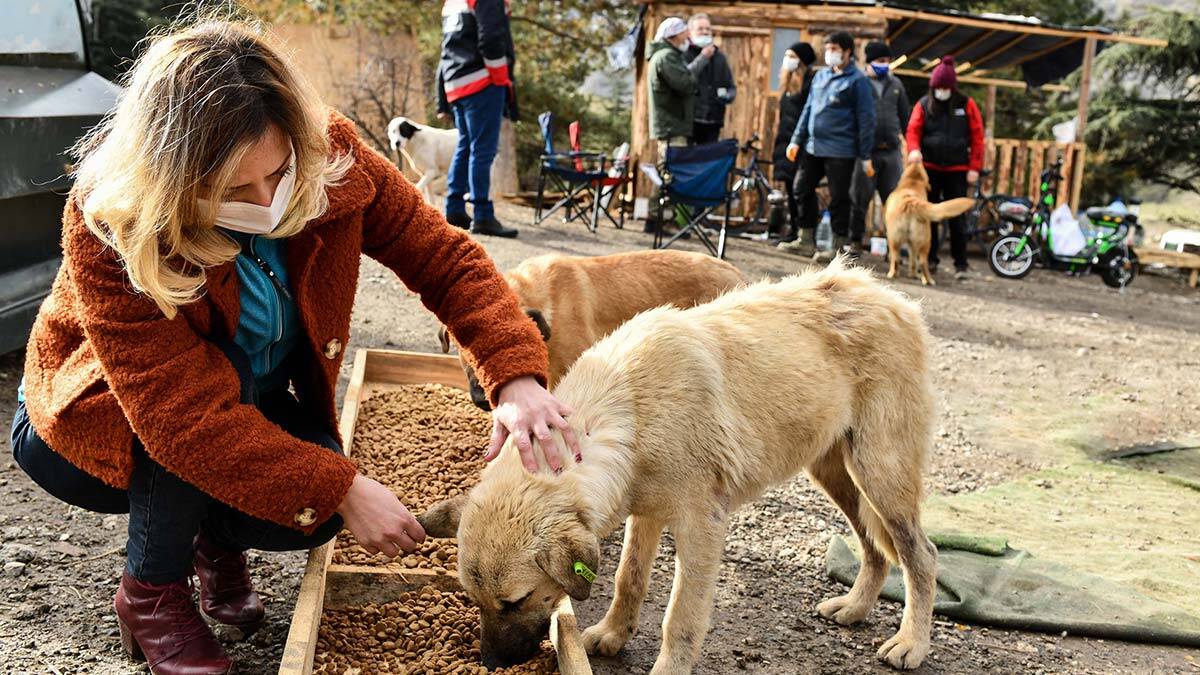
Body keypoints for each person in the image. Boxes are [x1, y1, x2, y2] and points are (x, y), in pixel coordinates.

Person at [10, 20, 579, 674]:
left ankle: (210, 539)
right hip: (89, 424)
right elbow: (181, 420)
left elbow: (443, 258)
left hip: (230, 398)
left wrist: (515, 377)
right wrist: (342, 485)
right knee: (246, 432)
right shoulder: (111, 219)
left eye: (279, 172)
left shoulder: (329, 154)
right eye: (231, 190)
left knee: (306, 512)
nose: (267, 201)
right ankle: (152, 592)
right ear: (172, 178)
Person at [785, 31, 876, 262]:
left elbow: (866, 119)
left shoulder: (858, 81)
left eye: (835, 49)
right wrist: (796, 139)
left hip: (841, 150)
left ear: (847, 52)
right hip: (813, 146)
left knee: (839, 198)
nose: (830, 53)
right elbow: (808, 110)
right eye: (828, 49)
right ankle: (805, 239)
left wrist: (865, 155)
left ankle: (837, 248)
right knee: (801, 188)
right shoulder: (820, 76)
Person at [436, 0, 518, 238]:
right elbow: (491, 38)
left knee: (466, 146)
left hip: (456, 85)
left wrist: (442, 96)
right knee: (482, 150)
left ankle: (454, 210)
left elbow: (445, 53)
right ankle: (482, 215)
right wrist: (500, 77)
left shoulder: (452, 2)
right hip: (482, 82)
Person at [905, 55, 985, 279]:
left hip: (957, 169)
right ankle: (930, 260)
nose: (941, 91)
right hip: (929, 169)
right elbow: (913, 130)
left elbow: (978, 137)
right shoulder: (923, 104)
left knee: (957, 217)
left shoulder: (966, 104)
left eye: (944, 87)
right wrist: (913, 150)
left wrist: (974, 167)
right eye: (937, 87)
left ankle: (961, 264)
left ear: (951, 87)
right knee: (929, 215)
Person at [849, 40, 909, 256]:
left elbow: (905, 118)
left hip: (891, 151)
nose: (885, 65)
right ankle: (855, 241)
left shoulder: (896, 85)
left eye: (888, 61)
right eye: (881, 61)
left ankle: (895, 245)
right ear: (870, 61)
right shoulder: (860, 82)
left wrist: (909, 146)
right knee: (859, 199)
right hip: (866, 152)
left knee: (892, 201)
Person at [773, 42, 817, 250]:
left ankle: (804, 232)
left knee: (801, 189)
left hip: (801, 143)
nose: (788, 59)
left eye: (792, 56)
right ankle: (792, 231)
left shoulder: (811, 83)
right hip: (785, 141)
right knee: (790, 189)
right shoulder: (787, 83)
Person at [647, 17, 698, 159]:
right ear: (673, 36)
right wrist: (693, 73)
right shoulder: (666, 57)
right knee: (673, 173)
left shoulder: (669, 56)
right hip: (672, 129)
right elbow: (685, 84)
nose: (687, 36)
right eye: (684, 33)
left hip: (673, 127)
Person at [684, 13, 736, 145]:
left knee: (707, 161)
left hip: (713, 121)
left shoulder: (720, 57)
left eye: (708, 29)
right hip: (689, 121)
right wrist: (703, 57)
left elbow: (731, 86)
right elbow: (683, 78)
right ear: (690, 33)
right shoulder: (684, 54)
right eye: (700, 29)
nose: (705, 32)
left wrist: (728, 96)